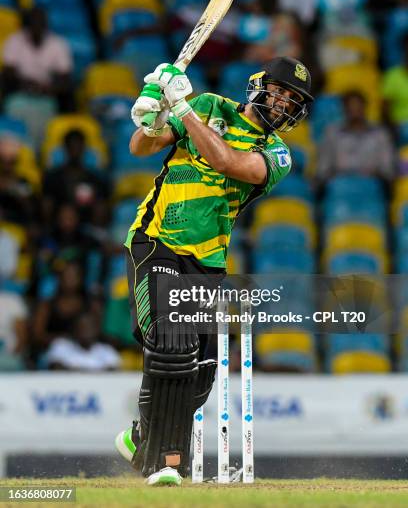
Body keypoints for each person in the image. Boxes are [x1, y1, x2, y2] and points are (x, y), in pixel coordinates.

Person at [114, 56, 314, 485]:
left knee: (201, 376)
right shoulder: (209, 105)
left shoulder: (277, 154)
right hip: (157, 241)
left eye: (292, 100)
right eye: (279, 91)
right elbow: (141, 147)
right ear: (259, 86)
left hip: (208, 261)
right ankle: (167, 466)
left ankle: (141, 437)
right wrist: (152, 113)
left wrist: (181, 107)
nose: (282, 104)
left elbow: (226, 162)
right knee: (172, 345)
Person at [316, 90, 395, 187]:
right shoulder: (331, 133)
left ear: (364, 108)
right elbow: (323, 170)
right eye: (351, 106)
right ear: (344, 109)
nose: (355, 110)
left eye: (358, 106)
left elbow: (388, 171)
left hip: (372, 186)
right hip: (339, 186)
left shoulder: (380, 134)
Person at [2, 7, 73, 111]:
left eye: (40, 23)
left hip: (49, 88)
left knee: (68, 89)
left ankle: (61, 123)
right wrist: (26, 84)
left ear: (46, 24)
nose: (37, 27)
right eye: (33, 23)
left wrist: (47, 88)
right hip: (20, 85)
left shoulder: (58, 43)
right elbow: (8, 71)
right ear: (27, 25)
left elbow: (65, 76)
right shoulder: (14, 41)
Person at [43, 312, 121, 372]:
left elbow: (112, 372)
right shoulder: (61, 345)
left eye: (90, 327)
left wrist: (77, 371)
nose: (86, 331)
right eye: (82, 327)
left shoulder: (107, 350)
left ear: (96, 330)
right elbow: (55, 367)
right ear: (74, 330)